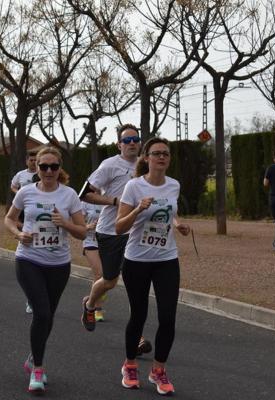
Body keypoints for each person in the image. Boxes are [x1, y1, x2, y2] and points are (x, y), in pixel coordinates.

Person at [4, 146, 86, 394]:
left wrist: (66, 223)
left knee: (48, 315)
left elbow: (82, 232)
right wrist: (19, 233)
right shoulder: (26, 193)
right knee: (41, 312)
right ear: (36, 168)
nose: (48, 171)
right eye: (44, 166)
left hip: (59, 264)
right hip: (29, 259)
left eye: (53, 166)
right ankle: (38, 369)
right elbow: (9, 218)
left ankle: (32, 357)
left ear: (60, 168)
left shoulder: (69, 195)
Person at [115, 137, 190, 395]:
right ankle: (130, 364)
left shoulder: (174, 185)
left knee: (168, 318)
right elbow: (119, 226)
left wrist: (178, 223)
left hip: (166, 259)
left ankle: (158, 370)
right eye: (156, 153)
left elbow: (170, 210)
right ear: (146, 158)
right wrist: (137, 209)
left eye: (165, 154)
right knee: (139, 315)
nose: (161, 157)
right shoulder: (133, 187)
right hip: (137, 260)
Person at [78, 124, 152, 355]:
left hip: (137, 232)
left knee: (135, 284)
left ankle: (137, 338)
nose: (131, 143)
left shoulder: (145, 165)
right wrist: (114, 202)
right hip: (111, 231)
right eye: (126, 140)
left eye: (135, 139)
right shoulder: (110, 165)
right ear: (119, 145)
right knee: (109, 281)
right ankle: (90, 304)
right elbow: (85, 193)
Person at [10, 151, 38, 314]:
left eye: (36, 160)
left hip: (40, 209)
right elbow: (13, 186)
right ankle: (24, 237)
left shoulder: (43, 175)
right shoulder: (21, 175)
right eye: (32, 160)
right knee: (23, 227)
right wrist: (19, 194)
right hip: (24, 205)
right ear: (27, 161)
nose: (34, 163)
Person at [81, 201, 106, 321]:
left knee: (107, 277)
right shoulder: (85, 203)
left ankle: (90, 299)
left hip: (107, 242)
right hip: (90, 240)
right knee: (99, 274)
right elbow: (76, 225)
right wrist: (88, 226)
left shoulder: (110, 200)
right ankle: (97, 309)